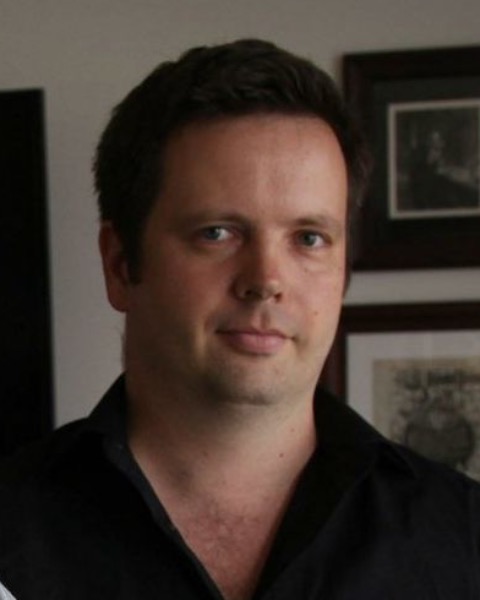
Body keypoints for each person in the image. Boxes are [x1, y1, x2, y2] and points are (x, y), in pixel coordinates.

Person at [0, 39, 478, 600]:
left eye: (309, 238)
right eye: (217, 233)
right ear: (121, 264)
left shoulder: (465, 540)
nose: (266, 279)